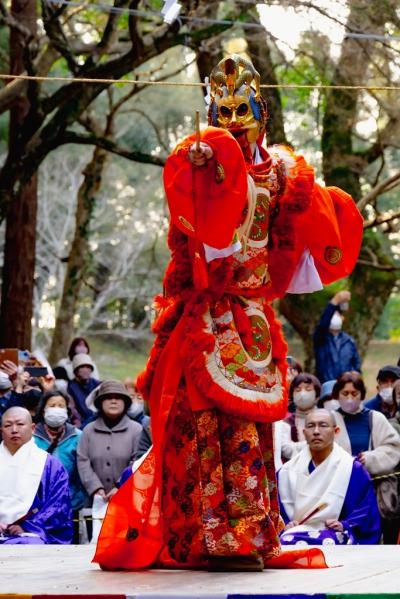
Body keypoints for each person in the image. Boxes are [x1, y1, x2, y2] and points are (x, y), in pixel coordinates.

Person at [93, 54, 363, 571]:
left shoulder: (284, 172)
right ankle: (208, 537)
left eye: (244, 111)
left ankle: (249, 536)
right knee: (201, 426)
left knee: (251, 431)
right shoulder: (199, 163)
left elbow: (298, 252)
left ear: (260, 112)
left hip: (252, 318)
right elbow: (192, 242)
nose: (236, 123)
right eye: (226, 112)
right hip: (207, 318)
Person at [278, 409, 381, 545]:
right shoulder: (286, 471)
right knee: (286, 540)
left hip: (334, 534)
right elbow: (276, 511)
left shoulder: (352, 468)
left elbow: (365, 511)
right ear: (304, 433)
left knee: (330, 541)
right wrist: (285, 525)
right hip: (294, 534)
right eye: (310, 426)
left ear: (336, 431)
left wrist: (345, 525)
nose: (316, 431)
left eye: (323, 425)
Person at [332, 371, 400, 544]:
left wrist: (371, 458)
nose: (349, 398)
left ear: (362, 394)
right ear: (337, 395)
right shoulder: (330, 419)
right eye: (345, 393)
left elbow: (393, 447)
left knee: (374, 533)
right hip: (338, 489)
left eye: (354, 394)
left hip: (374, 490)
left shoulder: (375, 418)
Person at [0, 407, 73, 544]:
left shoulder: (50, 465)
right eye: (8, 425)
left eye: (20, 424)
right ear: (1, 430)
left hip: (31, 534)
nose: (14, 429)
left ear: (33, 428)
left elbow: (57, 506)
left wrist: (27, 526)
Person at [77, 380, 142, 502]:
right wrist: (95, 487)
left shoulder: (136, 430)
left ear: (125, 403)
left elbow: (137, 462)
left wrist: (121, 486)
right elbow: (83, 461)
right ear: (100, 403)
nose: (113, 401)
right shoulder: (88, 430)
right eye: (108, 398)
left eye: (118, 398)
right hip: (95, 500)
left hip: (129, 499)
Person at [33, 390, 87, 513]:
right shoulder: (32, 437)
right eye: (52, 406)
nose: (56, 409)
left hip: (71, 503)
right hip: (38, 505)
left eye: (61, 406)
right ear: (43, 410)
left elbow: (83, 471)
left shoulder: (78, 436)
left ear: (67, 411)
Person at [313, 290, 361, 383]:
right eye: (333, 314)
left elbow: (356, 364)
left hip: (345, 387)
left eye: (337, 314)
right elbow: (323, 323)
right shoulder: (321, 338)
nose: (335, 316)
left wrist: (355, 374)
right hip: (326, 387)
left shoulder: (349, 341)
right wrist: (335, 301)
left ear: (343, 318)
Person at [282, 373, 321, 460]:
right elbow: (286, 449)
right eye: (298, 390)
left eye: (308, 389)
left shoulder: (327, 419)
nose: (302, 394)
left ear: (317, 397)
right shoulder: (286, 422)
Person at [67, 354, 100, 428]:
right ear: (76, 371)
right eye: (82, 367)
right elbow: (73, 410)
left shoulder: (97, 384)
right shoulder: (71, 387)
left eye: (88, 367)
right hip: (82, 423)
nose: (85, 370)